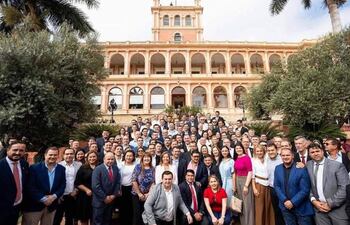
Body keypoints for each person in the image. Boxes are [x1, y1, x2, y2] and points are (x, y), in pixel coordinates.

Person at [306, 142, 350, 225]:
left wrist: (330, 204)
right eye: (312, 152)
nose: (315, 154)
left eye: (317, 151)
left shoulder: (337, 166)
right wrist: (314, 201)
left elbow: (344, 188)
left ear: (323, 151)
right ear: (309, 154)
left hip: (338, 210)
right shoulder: (308, 166)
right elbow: (307, 186)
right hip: (319, 210)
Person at [22, 147, 66, 225]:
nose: (53, 157)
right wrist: (44, 199)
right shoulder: (34, 168)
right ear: (45, 155)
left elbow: (62, 185)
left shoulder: (61, 169)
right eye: (50, 155)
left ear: (58, 156)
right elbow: (30, 187)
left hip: (51, 206)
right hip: (34, 205)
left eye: (55, 155)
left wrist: (54, 197)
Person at [274, 148, 314, 225]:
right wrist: (285, 200)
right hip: (285, 207)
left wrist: (292, 202)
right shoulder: (277, 168)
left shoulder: (301, 168)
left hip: (301, 207)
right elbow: (277, 186)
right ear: (281, 157)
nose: (285, 157)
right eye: (283, 155)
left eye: (288, 155)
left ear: (292, 156)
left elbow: (305, 189)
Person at [0, 141, 29, 225]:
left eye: (21, 150)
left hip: (17, 206)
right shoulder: (1, 166)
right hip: (2, 208)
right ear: (7, 150)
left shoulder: (24, 164)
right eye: (15, 150)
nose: (18, 153)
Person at [53, 148, 82, 225]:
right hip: (60, 196)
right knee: (57, 218)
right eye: (67, 154)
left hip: (73, 195)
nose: (69, 155)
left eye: (71, 154)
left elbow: (81, 180)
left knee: (70, 218)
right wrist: (58, 194)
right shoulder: (58, 165)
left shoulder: (79, 165)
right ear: (63, 155)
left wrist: (76, 190)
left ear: (74, 155)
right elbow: (55, 181)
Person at [91, 152, 121, 225]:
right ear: (104, 159)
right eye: (108, 159)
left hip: (111, 200)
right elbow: (95, 186)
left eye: (112, 159)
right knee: (97, 222)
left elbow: (117, 183)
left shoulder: (115, 168)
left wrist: (113, 195)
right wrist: (105, 198)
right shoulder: (98, 169)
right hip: (99, 201)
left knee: (107, 221)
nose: (110, 161)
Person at [251, 145, 274, 225]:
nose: (259, 153)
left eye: (261, 151)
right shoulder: (253, 161)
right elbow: (252, 176)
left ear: (264, 152)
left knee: (268, 207)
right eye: (257, 151)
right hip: (259, 185)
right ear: (255, 152)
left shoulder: (268, 159)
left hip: (268, 185)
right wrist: (254, 188)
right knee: (260, 208)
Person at [233, 142, 254, 225]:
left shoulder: (247, 158)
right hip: (238, 182)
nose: (238, 149)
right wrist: (234, 186)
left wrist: (246, 185)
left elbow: (250, 171)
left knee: (247, 205)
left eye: (240, 148)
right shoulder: (236, 158)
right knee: (240, 205)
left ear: (242, 148)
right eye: (236, 148)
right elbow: (235, 172)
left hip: (245, 181)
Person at [75, 151, 98, 225]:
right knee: (84, 218)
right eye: (90, 157)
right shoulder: (83, 168)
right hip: (85, 196)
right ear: (87, 158)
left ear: (97, 157)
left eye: (94, 156)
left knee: (94, 217)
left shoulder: (100, 167)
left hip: (97, 196)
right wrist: (87, 190)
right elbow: (77, 183)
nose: (92, 158)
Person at [131, 153, 155, 225]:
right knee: (137, 214)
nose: (146, 159)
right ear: (142, 159)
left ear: (150, 159)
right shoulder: (138, 167)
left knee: (146, 214)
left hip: (148, 195)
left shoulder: (153, 169)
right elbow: (133, 180)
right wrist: (139, 194)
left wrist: (148, 194)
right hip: (136, 195)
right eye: (145, 157)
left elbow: (153, 183)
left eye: (148, 157)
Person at [266, 143, 285, 225]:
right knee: (276, 211)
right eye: (269, 151)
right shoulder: (266, 159)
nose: (271, 152)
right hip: (272, 188)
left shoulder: (282, 159)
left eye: (272, 150)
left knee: (285, 210)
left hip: (283, 189)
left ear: (276, 150)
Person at [119, 150, 137, 225]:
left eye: (131, 156)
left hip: (132, 188)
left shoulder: (136, 165)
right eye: (127, 155)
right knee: (123, 207)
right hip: (122, 188)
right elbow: (118, 177)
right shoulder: (120, 165)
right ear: (124, 156)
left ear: (133, 157)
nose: (129, 157)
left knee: (131, 207)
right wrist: (119, 188)